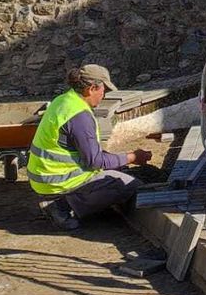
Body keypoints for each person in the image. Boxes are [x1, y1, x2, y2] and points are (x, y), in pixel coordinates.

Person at [28, 64, 152, 231]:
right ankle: (62, 206)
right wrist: (133, 157)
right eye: (103, 90)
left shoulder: (63, 100)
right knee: (128, 185)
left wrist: (119, 160)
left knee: (117, 170)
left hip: (44, 177)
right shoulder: (79, 116)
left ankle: (69, 201)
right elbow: (95, 161)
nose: (104, 95)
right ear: (92, 88)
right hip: (59, 181)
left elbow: (84, 151)